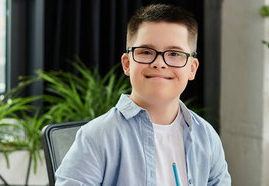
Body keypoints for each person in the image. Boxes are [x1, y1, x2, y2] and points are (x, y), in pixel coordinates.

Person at [55, 4, 231, 186]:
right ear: (127, 64)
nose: (160, 63)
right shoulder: (97, 137)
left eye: (174, 53)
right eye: (146, 52)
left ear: (192, 69)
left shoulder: (206, 137)